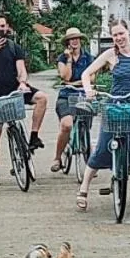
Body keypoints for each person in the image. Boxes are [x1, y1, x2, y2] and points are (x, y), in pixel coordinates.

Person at [76, 20, 130, 212]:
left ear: (128, 32)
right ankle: (83, 190)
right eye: (115, 35)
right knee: (103, 147)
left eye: (121, 33)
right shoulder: (110, 54)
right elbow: (86, 73)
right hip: (115, 106)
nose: (119, 38)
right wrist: (89, 89)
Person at [0, 14, 48, 187]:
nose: (0, 29)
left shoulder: (15, 47)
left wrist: (23, 82)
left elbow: (21, 69)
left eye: (3, 26)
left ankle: (33, 137)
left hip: (15, 90)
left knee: (42, 98)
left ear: (7, 27)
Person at [51, 27, 93, 173]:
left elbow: (92, 78)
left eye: (77, 38)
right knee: (67, 125)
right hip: (66, 96)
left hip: (84, 95)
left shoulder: (88, 57)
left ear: (80, 40)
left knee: (85, 129)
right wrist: (69, 59)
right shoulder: (62, 58)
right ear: (67, 42)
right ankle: (57, 158)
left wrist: (76, 83)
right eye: (71, 38)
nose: (74, 41)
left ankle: (90, 164)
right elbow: (66, 77)